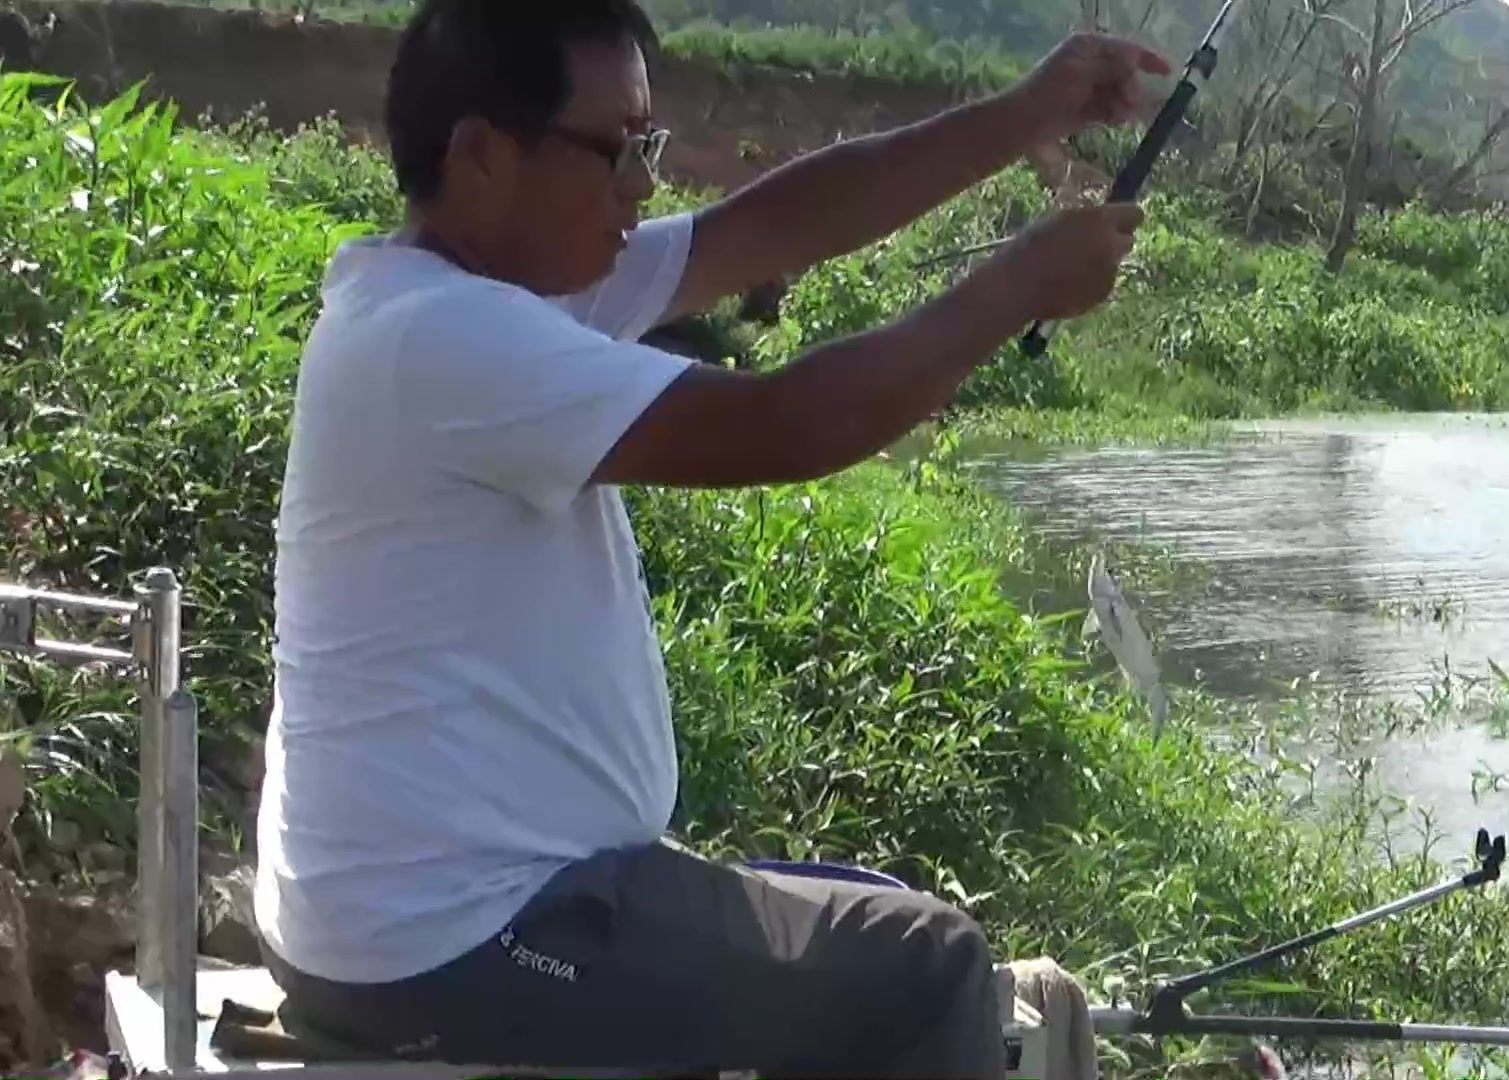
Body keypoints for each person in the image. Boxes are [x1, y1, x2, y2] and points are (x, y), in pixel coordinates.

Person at [250, 0, 1168, 1077]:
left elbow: (772, 228)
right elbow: (788, 422)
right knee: (930, 967)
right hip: (463, 941)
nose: (643, 185)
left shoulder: (484, 294)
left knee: (864, 906)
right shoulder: (445, 340)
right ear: (483, 156)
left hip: (430, 919)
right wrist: (1018, 288)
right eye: (615, 150)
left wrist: (1020, 117)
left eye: (650, 143)